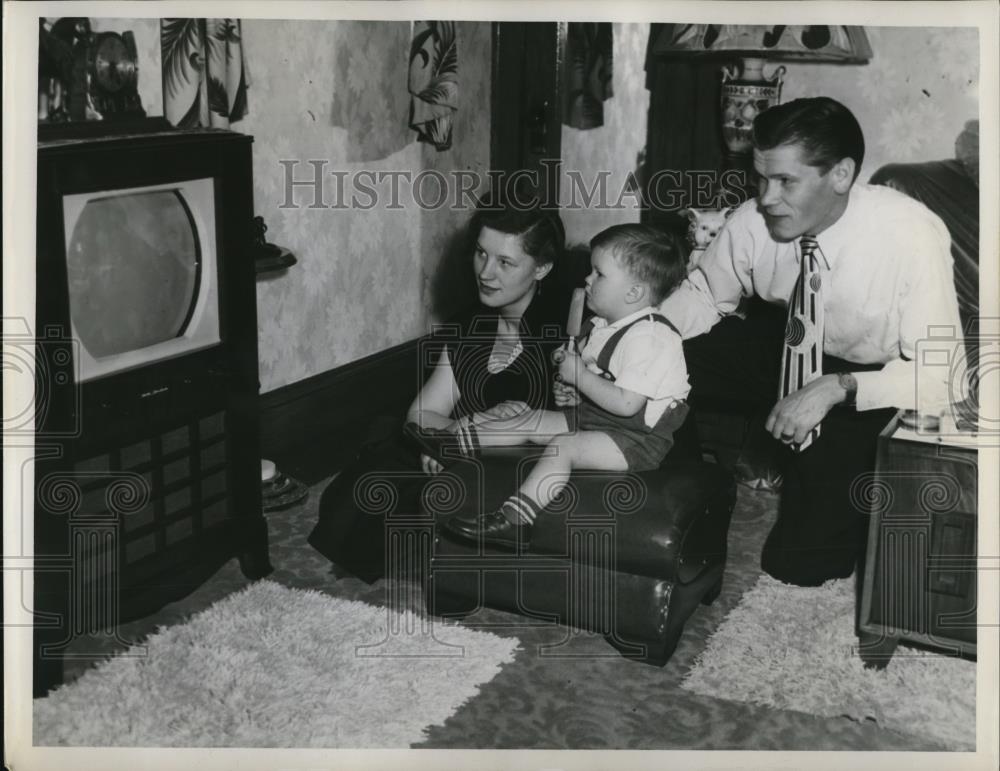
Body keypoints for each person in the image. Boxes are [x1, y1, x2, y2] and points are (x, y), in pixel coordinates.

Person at [659, 96, 965, 587]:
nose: (766, 197)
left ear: (840, 176)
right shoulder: (752, 221)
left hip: (864, 380)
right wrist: (629, 341)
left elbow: (941, 375)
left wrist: (832, 388)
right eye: (761, 178)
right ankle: (684, 491)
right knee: (659, 355)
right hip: (782, 344)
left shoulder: (910, 235)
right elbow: (703, 296)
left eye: (785, 181)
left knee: (800, 565)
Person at [307, 200, 568, 582]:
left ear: (541, 268)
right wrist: (447, 439)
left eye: (505, 263)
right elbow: (424, 412)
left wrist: (463, 439)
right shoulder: (468, 327)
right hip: (465, 447)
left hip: (526, 464)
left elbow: (570, 426)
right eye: (481, 253)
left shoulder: (564, 336)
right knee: (380, 466)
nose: (486, 272)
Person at [408, 224, 691, 547]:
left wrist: (581, 377)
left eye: (599, 274)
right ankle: (452, 443)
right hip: (597, 419)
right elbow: (601, 387)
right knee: (530, 419)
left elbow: (627, 405)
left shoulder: (652, 337)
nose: (587, 280)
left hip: (634, 440)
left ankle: (516, 519)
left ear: (634, 293)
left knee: (564, 447)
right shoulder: (600, 325)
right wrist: (572, 392)